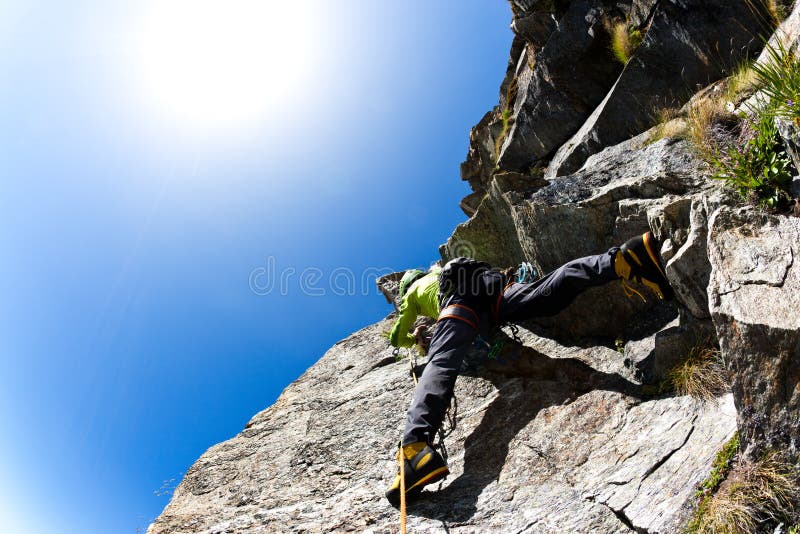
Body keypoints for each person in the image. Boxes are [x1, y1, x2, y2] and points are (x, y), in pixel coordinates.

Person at [384, 231, 674, 506]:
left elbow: (397, 336)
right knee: (545, 294)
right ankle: (622, 259)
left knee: (439, 364)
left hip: (460, 305)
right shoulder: (438, 272)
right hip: (492, 286)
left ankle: (414, 449)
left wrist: (413, 336)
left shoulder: (412, 294)